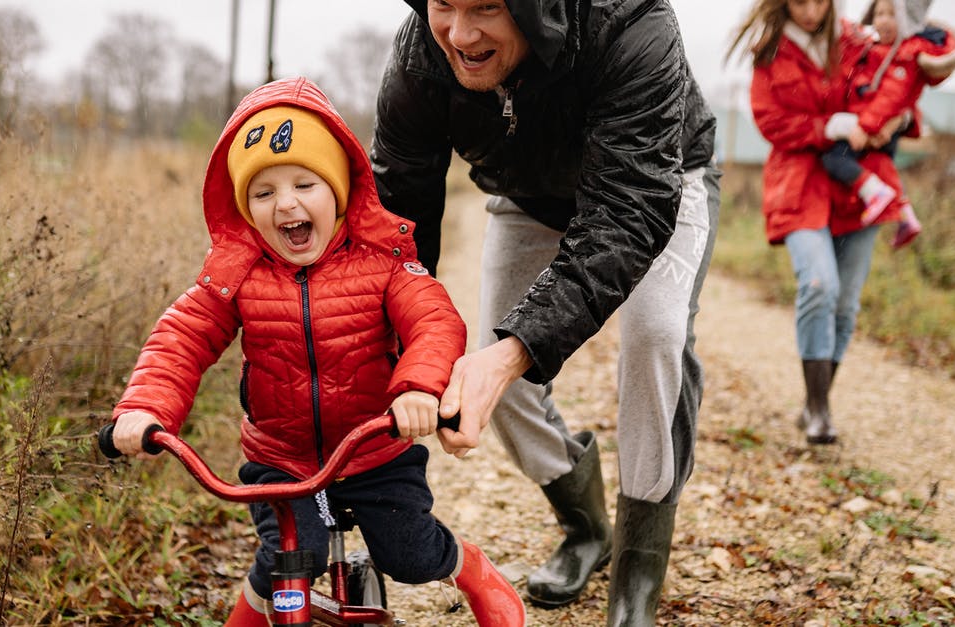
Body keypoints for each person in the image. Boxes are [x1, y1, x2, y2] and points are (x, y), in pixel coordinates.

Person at [107, 77, 525, 627]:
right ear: (245, 208)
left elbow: (435, 321)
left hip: (376, 448)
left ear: (340, 190)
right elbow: (180, 339)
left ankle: (472, 569)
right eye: (263, 192)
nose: (286, 204)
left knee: (410, 554)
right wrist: (145, 409)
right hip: (280, 456)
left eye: (306, 183)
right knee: (285, 559)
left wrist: (418, 386)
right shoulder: (235, 274)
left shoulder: (383, 261)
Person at [370, 1, 719, 623]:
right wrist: (388, 350)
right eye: (444, 5)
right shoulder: (420, 58)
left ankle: (637, 575)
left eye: (484, 7)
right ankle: (586, 528)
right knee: (496, 379)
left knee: (654, 337)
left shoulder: (635, 24)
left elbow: (627, 212)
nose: (460, 32)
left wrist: (515, 352)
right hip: (528, 195)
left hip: (657, 183)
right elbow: (399, 221)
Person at [728, 0, 894, 445]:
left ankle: (816, 404)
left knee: (846, 305)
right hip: (799, 184)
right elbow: (771, 121)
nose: (809, 11)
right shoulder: (770, 51)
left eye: (818, 0)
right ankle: (818, 408)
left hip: (859, 185)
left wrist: (890, 117)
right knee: (820, 285)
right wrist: (828, 127)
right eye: (799, 1)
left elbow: (894, 82)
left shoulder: (856, 41)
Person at [821, 0, 955, 249]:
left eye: (892, 14)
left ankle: (873, 193)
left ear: (907, 21)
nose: (883, 20)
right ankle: (906, 217)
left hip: (873, 126)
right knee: (884, 166)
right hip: (878, 126)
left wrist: (865, 128)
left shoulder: (904, 55)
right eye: (879, 14)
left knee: (834, 159)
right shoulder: (877, 50)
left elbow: (891, 98)